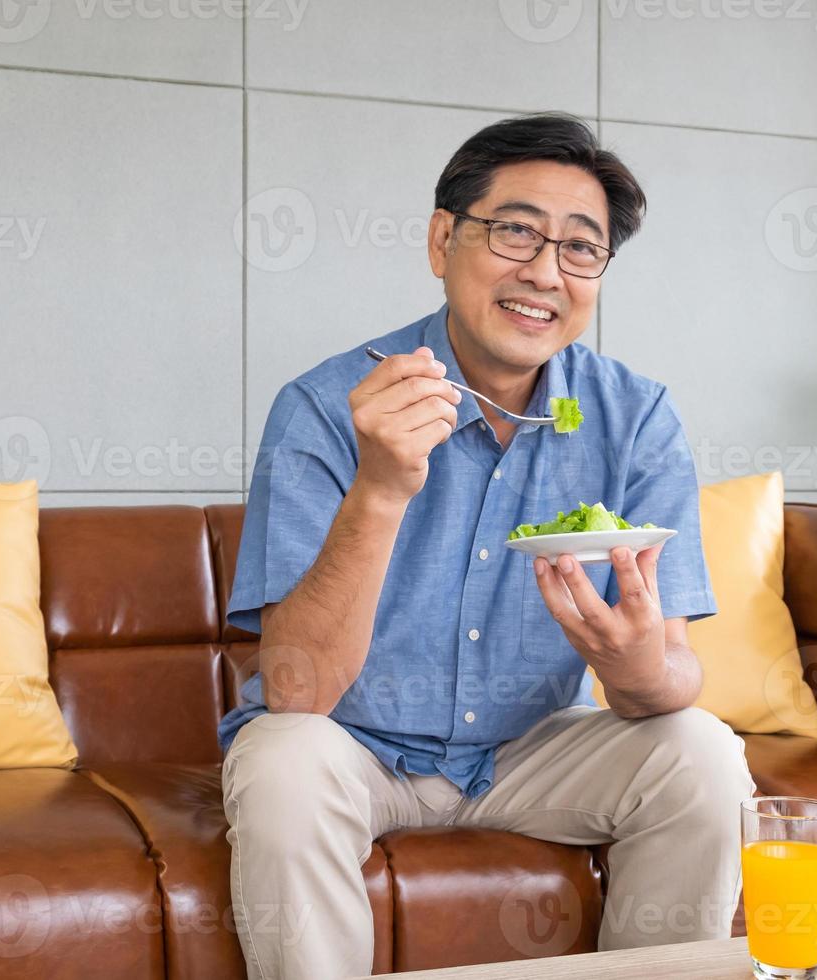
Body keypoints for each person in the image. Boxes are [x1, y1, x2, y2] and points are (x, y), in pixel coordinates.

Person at [217, 111, 756, 979]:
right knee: (283, 761)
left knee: (702, 754)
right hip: (352, 747)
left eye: (581, 248)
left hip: (528, 747)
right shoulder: (329, 405)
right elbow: (296, 688)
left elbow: (675, 676)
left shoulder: (635, 417)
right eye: (515, 232)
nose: (545, 272)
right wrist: (382, 489)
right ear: (442, 240)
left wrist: (630, 664)